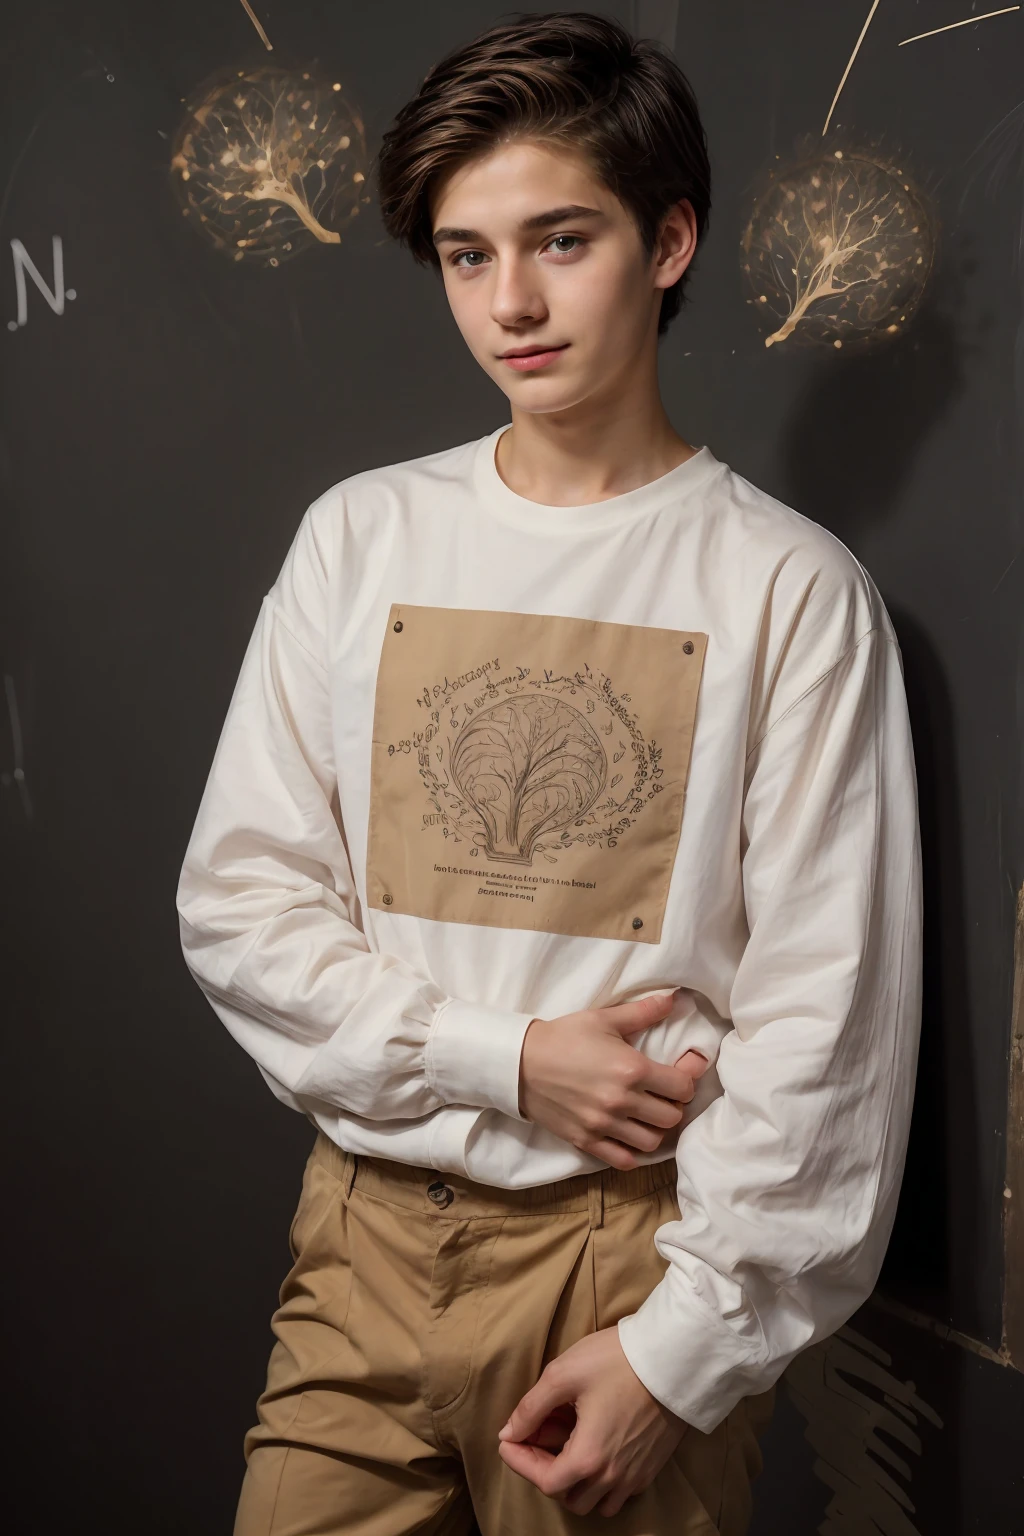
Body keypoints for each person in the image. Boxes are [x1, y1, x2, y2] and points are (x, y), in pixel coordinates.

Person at [175, 12, 923, 1534]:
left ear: (668, 240)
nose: (510, 301)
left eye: (559, 240)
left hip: (628, 1260)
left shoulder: (789, 587)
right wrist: (502, 1057)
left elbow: (824, 1017)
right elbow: (242, 907)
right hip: (364, 1237)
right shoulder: (360, 537)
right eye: (465, 255)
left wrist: (681, 1353)